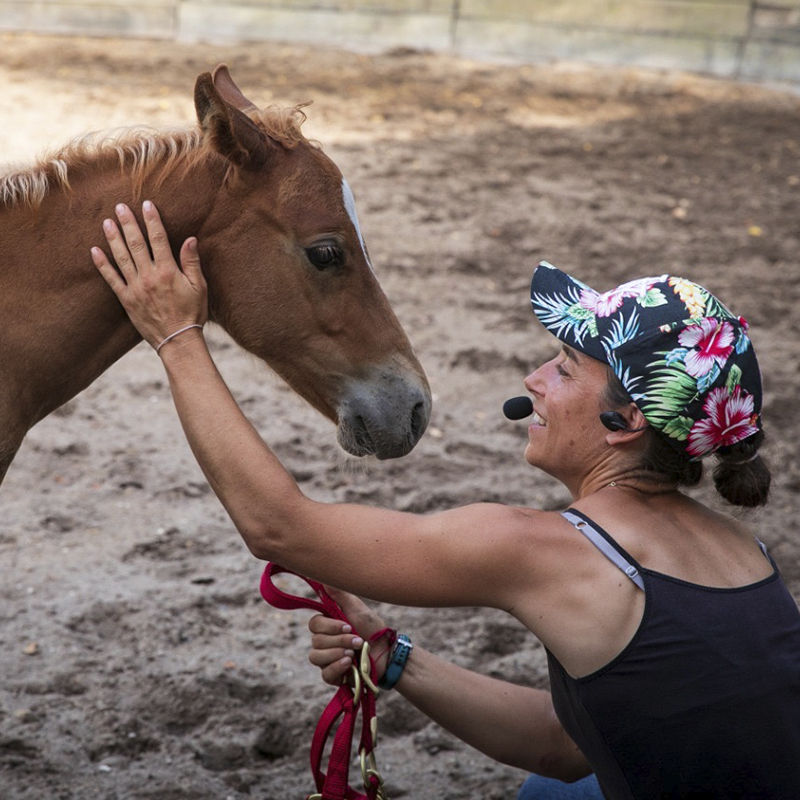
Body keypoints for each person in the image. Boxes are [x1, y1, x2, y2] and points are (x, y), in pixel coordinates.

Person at [91, 201, 800, 799]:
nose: (534, 380)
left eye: (563, 367)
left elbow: (280, 527)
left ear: (628, 422)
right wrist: (392, 657)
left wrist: (176, 335)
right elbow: (570, 746)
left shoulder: (554, 551)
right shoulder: (748, 553)